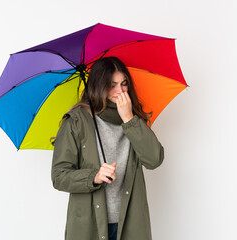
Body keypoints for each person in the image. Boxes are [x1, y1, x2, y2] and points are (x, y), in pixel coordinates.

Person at [51, 57, 164, 240]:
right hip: (89, 225)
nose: (120, 91)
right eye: (112, 85)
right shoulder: (76, 121)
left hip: (130, 223)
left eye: (124, 84)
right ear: (99, 86)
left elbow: (154, 159)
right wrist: (93, 176)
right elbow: (59, 175)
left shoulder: (134, 119)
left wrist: (129, 119)